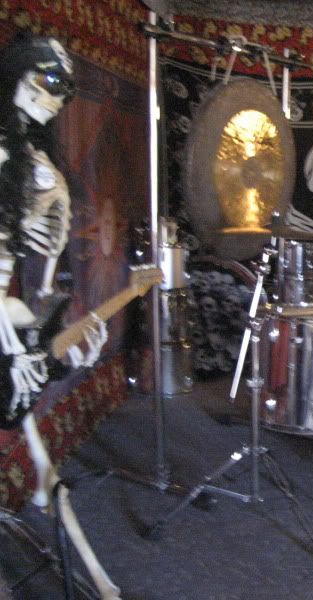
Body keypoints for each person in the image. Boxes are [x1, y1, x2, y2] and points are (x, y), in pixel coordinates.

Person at [0, 33, 120, 599]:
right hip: (6, 323)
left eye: (65, 88)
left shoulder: (41, 160)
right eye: (47, 80)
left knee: (46, 469)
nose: (56, 96)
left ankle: (97, 579)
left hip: (22, 324)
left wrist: (59, 336)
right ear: (16, 74)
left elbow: (45, 281)